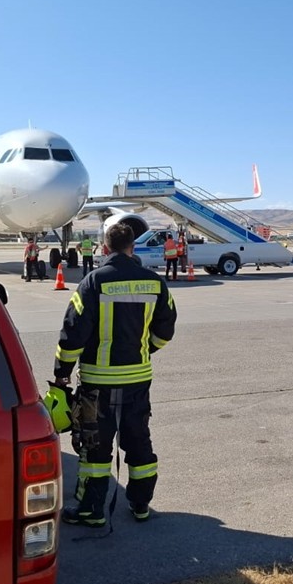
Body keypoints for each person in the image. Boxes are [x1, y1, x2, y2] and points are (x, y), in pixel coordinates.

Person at [54, 221, 177, 526]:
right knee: (138, 441)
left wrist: (62, 374)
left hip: (98, 381)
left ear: (105, 248)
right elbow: (166, 328)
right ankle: (140, 504)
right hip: (138, 378)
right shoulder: (155, 281)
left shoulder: (93, 282)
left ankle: (91, 510)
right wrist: (146, 350)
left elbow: (72, 335)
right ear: (132, 247)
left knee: (95, 447)